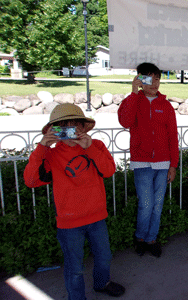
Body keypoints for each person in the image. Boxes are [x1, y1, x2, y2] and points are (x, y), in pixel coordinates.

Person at [24, 103, 125, 300]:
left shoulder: (96, 146)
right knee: (75, 268)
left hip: (97, 217)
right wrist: (42, 146)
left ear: (82, 128)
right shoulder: (51, 155)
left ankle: (102, 283)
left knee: (104, 257)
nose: (70, 134)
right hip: (69, 223)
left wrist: (89, 149)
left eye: (75, 127)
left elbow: (109, 171)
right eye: (64, 128)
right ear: (55, 131)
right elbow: (31, 180)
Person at [118, 62, 179, 257]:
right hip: (141, 162)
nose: (154, 83)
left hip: (163, 164)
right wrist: (134, 92)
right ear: (140, 80)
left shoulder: (166, 106)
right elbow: (125, 121)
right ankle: (140, 238)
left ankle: (152, 239)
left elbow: (173, 137)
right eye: (149, 79)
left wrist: (173, 165)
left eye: (157, 79)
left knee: (157, 204)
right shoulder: (134, 100)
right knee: (146, 204)